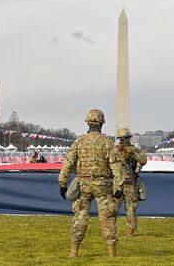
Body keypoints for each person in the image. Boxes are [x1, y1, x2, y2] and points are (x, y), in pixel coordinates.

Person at [58, 109, 124, 257]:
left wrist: (62, 182)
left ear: (87, 122)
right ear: (101, 123)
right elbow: (115, 165)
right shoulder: (107, 142)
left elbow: (68, 163)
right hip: (103, 185)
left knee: (80, 216)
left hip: (84, 184)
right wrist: (119, 184)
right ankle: (112, 253)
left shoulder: (79, 141)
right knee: (107, 218)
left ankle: (74, 252)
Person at [112, 128, 147, 237]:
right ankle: (111, 232)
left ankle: (130, 232)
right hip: (117, 184)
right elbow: (109, 161)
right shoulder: (115, 150)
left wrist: (133, 154)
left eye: (125, 138)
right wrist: (117, 151)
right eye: (120, 139)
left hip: (130, 183)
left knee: (130, 209)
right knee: (113, 209)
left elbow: (143, 161)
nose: (123, 141)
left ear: (129, 138)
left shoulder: (135, 150)